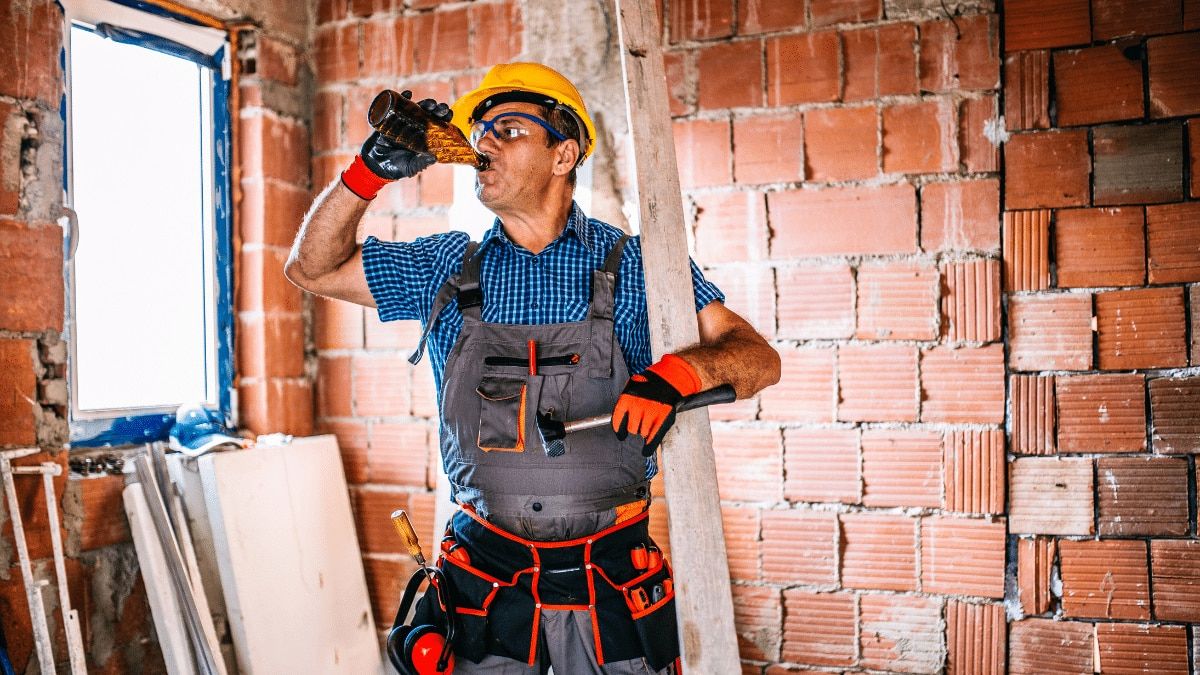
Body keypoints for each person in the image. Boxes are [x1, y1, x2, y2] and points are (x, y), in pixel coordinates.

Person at [285, 62, 780, 674]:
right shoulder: (446, 265)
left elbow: (757, 358)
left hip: (608, 583)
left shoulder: (634, 267)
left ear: (563, 155)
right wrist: (366, 176)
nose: (483, 141)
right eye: (481, 129)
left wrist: (675, 377)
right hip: (483, 585)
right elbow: (312, 269)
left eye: (509, 129)